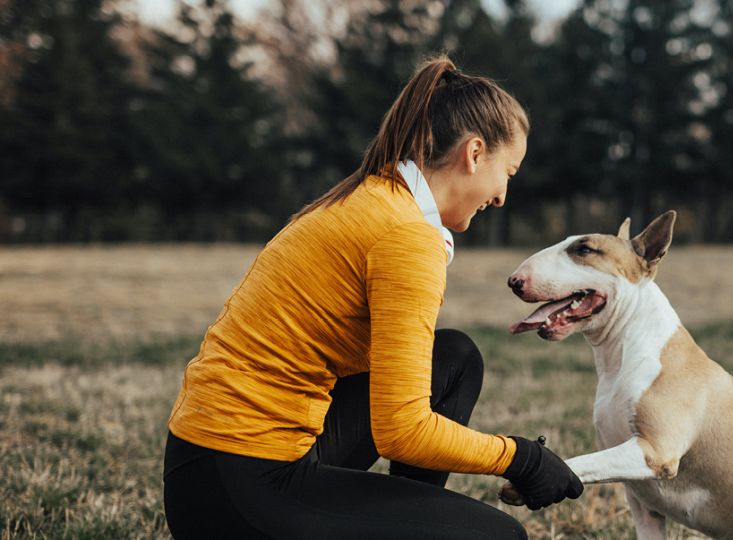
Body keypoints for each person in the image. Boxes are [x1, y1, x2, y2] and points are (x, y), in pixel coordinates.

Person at [162, 54, 583, 539]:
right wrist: (520, 458)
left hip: (208, 466)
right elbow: (401, 428)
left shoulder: (380, 197)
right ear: (474, 153)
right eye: (508, 172)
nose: (503, 196)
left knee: (454, 358)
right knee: (499, 538)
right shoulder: (406, 235)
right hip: (235, 488)